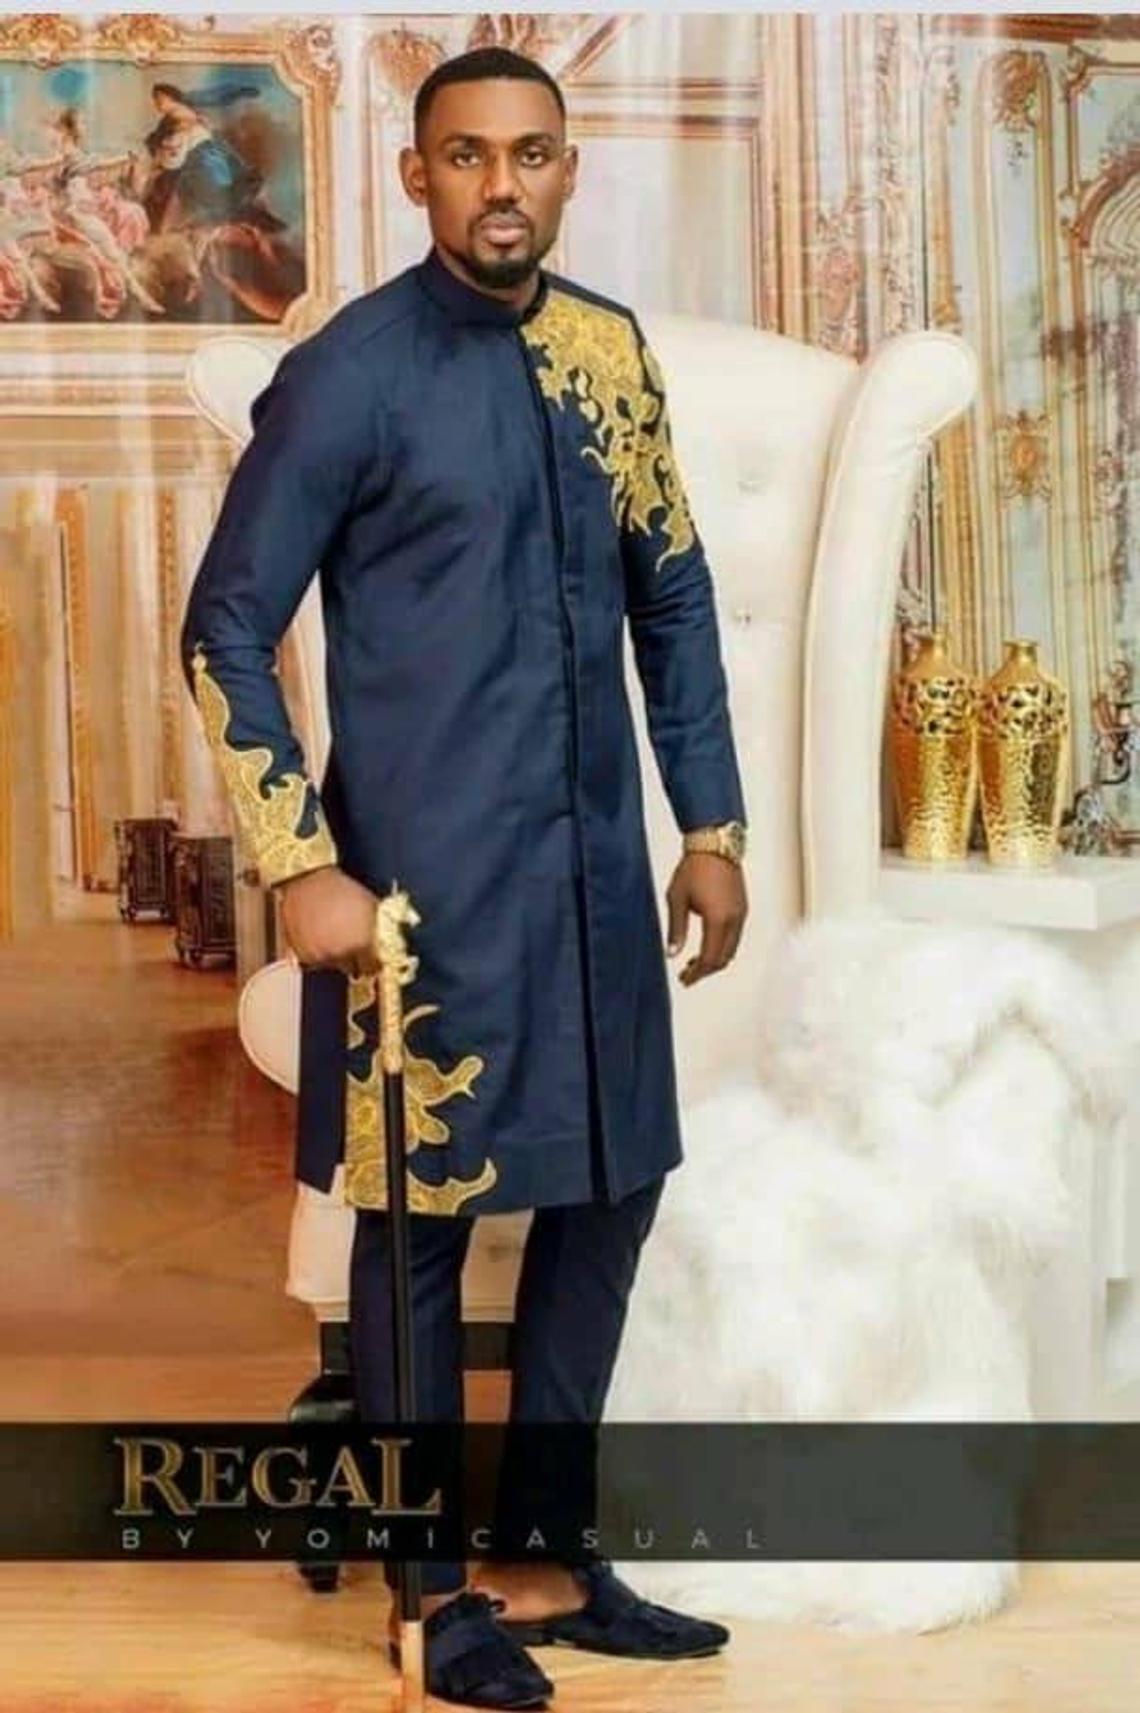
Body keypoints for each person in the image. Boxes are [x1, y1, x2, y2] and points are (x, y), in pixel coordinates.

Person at [180, 45, 748, 1710]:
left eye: (532, 154)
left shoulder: (609, 354)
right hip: (419, 900)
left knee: (611, 1185)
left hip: (596, 875)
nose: (503, 184)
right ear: (417, 174)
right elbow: (225, 625)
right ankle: (430, 1597)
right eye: (469, 155)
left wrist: (710, 824)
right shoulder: (347, 376)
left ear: (568, 170)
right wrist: (301, 861)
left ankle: (552, 1555)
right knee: (418, 1225)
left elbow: (673, 594)